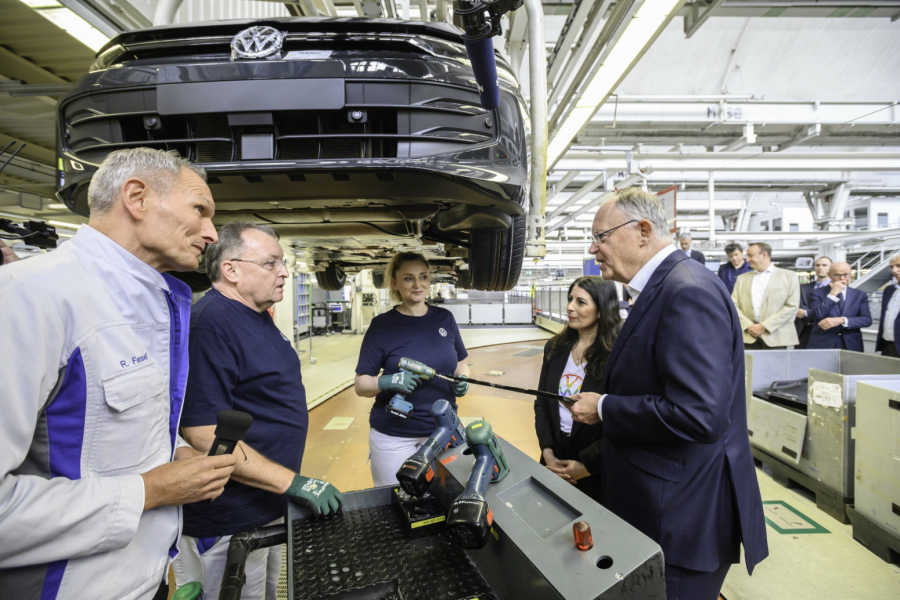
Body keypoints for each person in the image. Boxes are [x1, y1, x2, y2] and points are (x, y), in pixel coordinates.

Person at [0, 148, 238, 600]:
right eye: (200, 210)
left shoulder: (156, 300)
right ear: (136, 197)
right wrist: (148, 491)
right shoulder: (29, 297)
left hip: (146, 580)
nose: (211, 232)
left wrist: (175, 454)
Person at [566, 188, 767, 600]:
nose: (594, 248)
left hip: (681, 518)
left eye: (600, 236)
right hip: (661, 507)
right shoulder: (661, 288)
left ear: (642, 231)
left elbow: (700, 414)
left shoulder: (686, 291)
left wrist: (604, 407)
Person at [175, 223, 342, 600]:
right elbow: (202, 433)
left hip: (265, 503)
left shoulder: (256, 316)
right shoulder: (211, 325)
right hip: (225, 521)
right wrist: (293, 484)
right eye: (271, 263)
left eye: (282, 263)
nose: (284, 272)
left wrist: (283, 485)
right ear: (231, 270)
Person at [354, 252, 471, 486]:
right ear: (395, 284)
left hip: (444, 430)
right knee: (396, 501)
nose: (418, 284)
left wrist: (463, 378)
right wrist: (386, 382)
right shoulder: (382, 326)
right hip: (393, 437)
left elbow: (461, 363)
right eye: (408, 279)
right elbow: (360, 384)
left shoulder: (444, 319)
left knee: (445, 499)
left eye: (423, 277)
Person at [534, 276, 620, 502]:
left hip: (595, 467)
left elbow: (620, 420)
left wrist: (587, 466)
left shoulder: (616, 356)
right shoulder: (555, 347)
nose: (570, 307)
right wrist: (547, 452)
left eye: (581, 302)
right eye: (570, 299)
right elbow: (542, 402)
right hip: (554, 459)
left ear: (601, 310)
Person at [732, 242, 800, 349]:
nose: (747, 260)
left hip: (777, 337)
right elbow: (733, 305)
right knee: (748, 366)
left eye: (751, 255)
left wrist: (764, 326)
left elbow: (792, 307)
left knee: (777, 366)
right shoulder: (742, 279)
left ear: (764, 255)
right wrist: (749, 326)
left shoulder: (789, 276)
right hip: (748, 337)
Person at [804, 261, 871, 352]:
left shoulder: (859, 295)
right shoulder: (816, 293)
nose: (842, 278)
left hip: (851, 344)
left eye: (846, 275)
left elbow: (866, 320)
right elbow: (817, 315)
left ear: (850, 274)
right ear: (829, 275)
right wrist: (833, 294)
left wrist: (842, 320)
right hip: (823, 343)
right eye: (837, 275)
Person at [796, 257, 832, 349]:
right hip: (805, 332)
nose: (820, 268)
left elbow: (831, 311)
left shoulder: (836, 289)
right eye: (818, 265)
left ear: (831, 268)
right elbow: (797, 307)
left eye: (824, 265)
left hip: (828, 331)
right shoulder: (803, 288)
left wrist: (806, 313)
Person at [876, 254, 900, 358]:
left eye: (898, 266)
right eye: (892, 267)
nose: (894, 270)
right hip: (888, 346)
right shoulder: (889, 290)